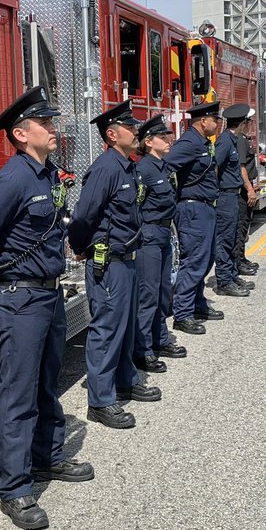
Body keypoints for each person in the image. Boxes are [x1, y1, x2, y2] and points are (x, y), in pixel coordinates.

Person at [0, 86, 93, 530]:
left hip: (48, 294)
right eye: (46, 123)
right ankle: (15, 489)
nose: (54, 129)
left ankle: (48, 457)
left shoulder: (46, 176)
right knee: (17, 392)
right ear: (21, 134)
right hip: (19, 298)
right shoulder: (11, 180)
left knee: (45, 383)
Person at [68, 101, 161, 432]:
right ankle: (102, 401)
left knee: (126, 325)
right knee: (107, 329)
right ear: (112, 133)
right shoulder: (106, 168)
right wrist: (81, 248)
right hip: (108, 263)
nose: (137, 131)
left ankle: (125, 381)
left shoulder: (128, 166)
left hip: (127, 259)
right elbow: (83, 216)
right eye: (130, 127)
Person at [130, 115, 187, 373]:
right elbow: (136, 207)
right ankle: (143, 351)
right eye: (163, 137)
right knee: (148, 294)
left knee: (164, 291)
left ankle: (160, 340)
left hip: (164, 235)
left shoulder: (162, 167)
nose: (168, 140)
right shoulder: (142, 170)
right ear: (149, 142)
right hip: (149, 237)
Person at [165, 100, 225, 335]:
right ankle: (182, 314)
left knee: (206, 259)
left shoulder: (202, 142)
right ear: (203, 121)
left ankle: (198, 304)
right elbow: (165, 167)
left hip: (205, 209)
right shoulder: (189, 143)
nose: (218, 124)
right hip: (192, 210)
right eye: (215, 120)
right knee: (193, 262)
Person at [211, 103, 252, 299]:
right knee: (225, 240)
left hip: (233, 195)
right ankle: (224, 281)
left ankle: (232, 275)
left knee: (234, 237)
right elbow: (214, 168)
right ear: (242, 122)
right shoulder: (225, 141)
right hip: (225, 196)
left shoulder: (233, 139)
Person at [231, 105, 261, 277]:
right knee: (241, 227)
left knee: (244, 226)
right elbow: (241, 167)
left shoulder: (242, 138)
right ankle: (238, 262)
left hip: (246, 187)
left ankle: (241, 258)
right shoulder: (241, 141)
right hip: (242, 192)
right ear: (244, 122)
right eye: (248, 121)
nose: (250, 124)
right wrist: (249, 189)